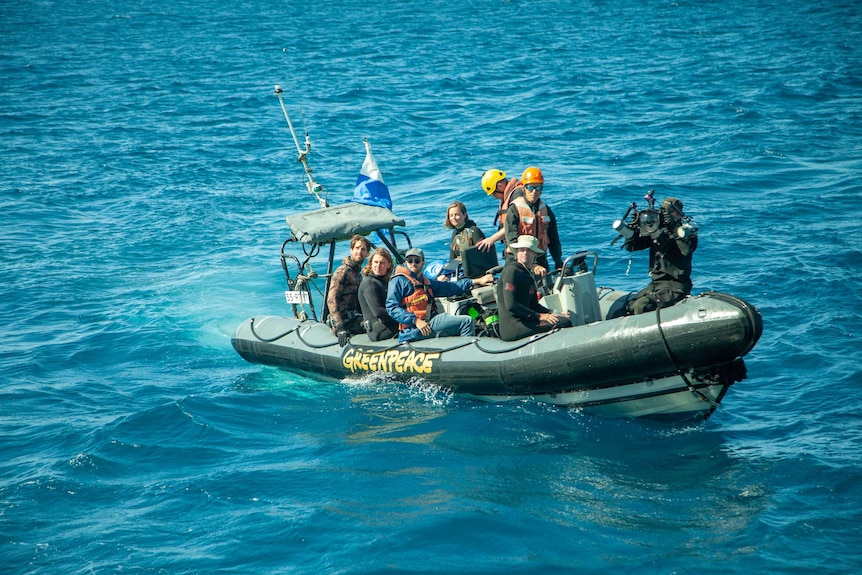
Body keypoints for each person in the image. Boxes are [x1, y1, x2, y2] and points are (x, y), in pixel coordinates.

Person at [386, 247, 494, 343]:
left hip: (428, 322)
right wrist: (415, 320)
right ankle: (466, 356)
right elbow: (392, 307)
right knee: (466, 321)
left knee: (456, 318)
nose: (413, 263)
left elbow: (450, 287)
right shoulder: (398, 281)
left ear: (423, 262)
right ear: (406, 262)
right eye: (410, 260)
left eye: (417, 260)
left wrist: (476, 281)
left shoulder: (425, 281)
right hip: (413, 330)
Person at [613, 197, 698, 315]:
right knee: (622, 310)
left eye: (669, 212)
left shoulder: (686, 233)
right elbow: (632, 247)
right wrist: (632, 231)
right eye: (663, 211)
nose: (665, 215)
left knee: (641, 306)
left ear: (678, 215)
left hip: (675, 287)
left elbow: (686, 249)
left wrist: (674, 227)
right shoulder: (657, 232)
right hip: (655, 285)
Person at [497, 235, 572, 341]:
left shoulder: (527, 274)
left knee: (562, 319)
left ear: (535, 254)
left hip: (526, 321)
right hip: (513, 327)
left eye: (529, 250)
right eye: (521, 250)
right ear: (517, 252)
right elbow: (511, 305)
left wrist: (552, 313)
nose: (525, 253)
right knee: (563, 323)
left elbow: (534, 305)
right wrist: (539, 316)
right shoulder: (512, 271)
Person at [503, 166, 563, 277]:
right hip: (518, 259)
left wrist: (558, 261)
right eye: (530, 188)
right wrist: (532, 265)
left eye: (538, 188)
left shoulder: (546, 210)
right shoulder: (515, 209)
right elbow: (512, 239)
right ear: (524, 188)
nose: (534, 192)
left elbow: (554, 238)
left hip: (540, 258)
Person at [326, 234, 371, 346]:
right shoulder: (343, 271)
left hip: (353, 318)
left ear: (367, 254)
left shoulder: (357, 274)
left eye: (363, 249)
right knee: (374, 326)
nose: (359, 251)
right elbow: (332, 299)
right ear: (351, 250)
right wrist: (340, 328)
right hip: (343, 323)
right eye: (357, 248)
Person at [475, 168, 522, 253]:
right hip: (514, 248)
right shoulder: (508, 197)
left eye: (493, 193)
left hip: (523, 250)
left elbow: (511, 225)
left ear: (500, 186)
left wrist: (491, 239)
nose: (494, 197)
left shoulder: (517, 196)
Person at [358, 247, 399, 341]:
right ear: (371, 264)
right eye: (375, 262)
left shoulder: (384, 282)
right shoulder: (369, 283)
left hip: (387, 325)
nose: (378, 265)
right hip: (378, 330)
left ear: (389, 265)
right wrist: (402, 316)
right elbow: (378, 312)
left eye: (382, 263)